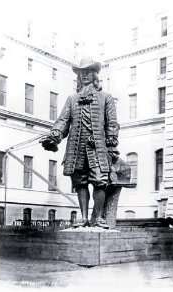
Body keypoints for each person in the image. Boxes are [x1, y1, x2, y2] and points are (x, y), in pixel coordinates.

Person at [40, 57, 120, 229]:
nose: (84, 75)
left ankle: (97, 218)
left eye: (87, 72)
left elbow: (112, 123)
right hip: (76, 148)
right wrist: (54, 136)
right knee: (80, 182)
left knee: (100, 180)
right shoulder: (72, 99)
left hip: (97, 148)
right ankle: (84, 217)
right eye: (81, 72)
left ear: (94, 75)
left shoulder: (106, 98)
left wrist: (111, 145)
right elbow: (63, 121)